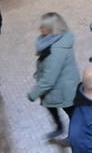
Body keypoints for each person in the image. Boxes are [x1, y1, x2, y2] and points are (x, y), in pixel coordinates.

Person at [27, 12, 80, 145]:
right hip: (61, 87)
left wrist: (33, 94)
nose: (40, 29)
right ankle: (59, 128)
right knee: (51, 107)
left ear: (52, 29)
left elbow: (49, 79)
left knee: (73, 114)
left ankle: (73, 137)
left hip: (63, 90)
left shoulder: (56, 50)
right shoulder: (60, 38)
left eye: (43, 27)